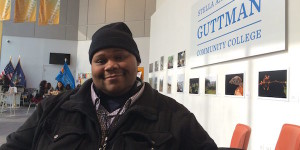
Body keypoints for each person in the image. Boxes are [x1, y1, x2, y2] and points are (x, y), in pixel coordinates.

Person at [0, 22, 218, 150]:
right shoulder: (52, 109)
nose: (111, 65)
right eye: (101, 60)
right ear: (93, 66)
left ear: (137, 61)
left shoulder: (174, 117)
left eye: (120, 57)